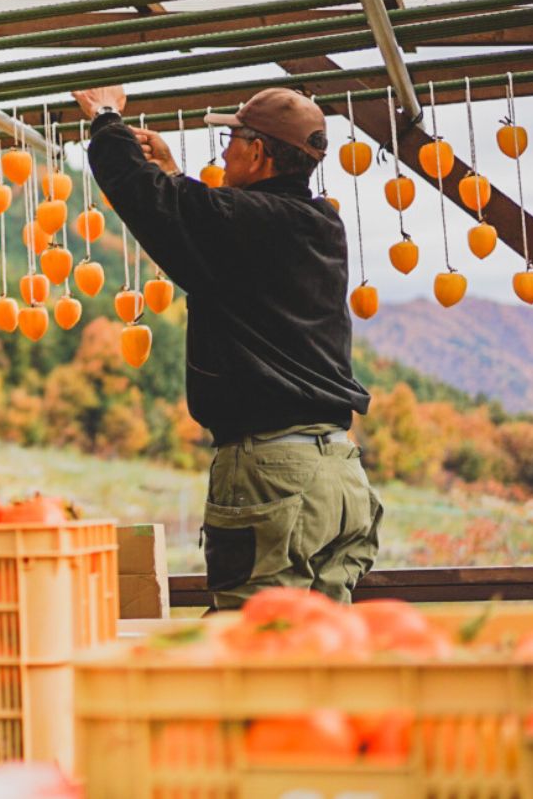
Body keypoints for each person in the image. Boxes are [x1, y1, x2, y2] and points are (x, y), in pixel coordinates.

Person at [72, 84, 380, 609]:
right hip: (340, 474)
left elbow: (146, 200)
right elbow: (213, 221)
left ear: (257, 151)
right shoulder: (323, 225)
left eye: (230, 137)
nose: (223, 150)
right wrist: (172, 175)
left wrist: (106, 119)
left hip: (273, 470)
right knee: (325, 652)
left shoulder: (241, 222)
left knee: (257, 648)